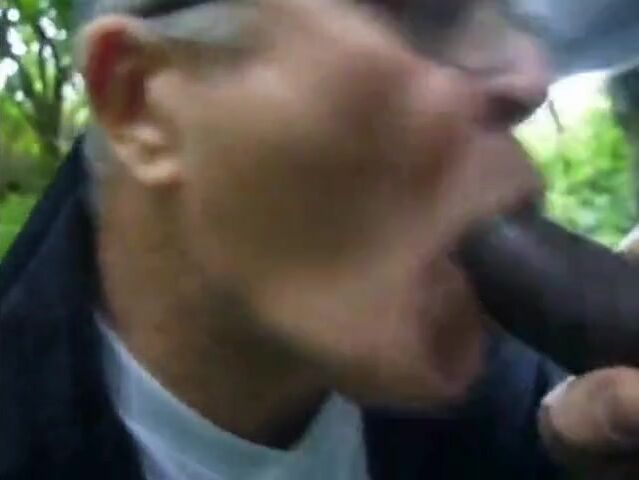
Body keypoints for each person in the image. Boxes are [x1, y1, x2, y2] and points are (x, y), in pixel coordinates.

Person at [0, 0, 632, 479]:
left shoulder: (509, 397)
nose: (531, 76)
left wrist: (556, 456)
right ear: (138, 102)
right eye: (428, 10)